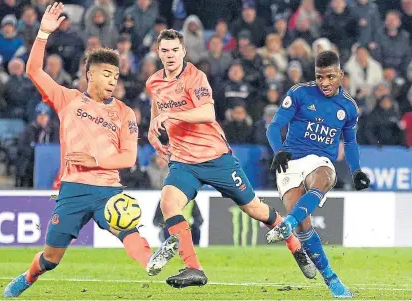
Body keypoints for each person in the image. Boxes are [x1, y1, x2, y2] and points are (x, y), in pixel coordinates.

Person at [3, 3, 177, 298]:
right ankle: (28, 277)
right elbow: (33, 70)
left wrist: (95, 159)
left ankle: (150, 261)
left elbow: (129, 158)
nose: (112, 80)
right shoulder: (68, 99)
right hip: (71, 190)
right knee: (50, 260)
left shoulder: (124, 113)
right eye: (107, 74)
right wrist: (44, 32)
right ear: (90, 75)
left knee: (127, 229)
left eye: (116, 76)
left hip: (107, 190)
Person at [145, 29, 316, 289]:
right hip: (183, 161)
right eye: (165, 51)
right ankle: (194, 269)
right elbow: (158, 106)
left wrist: (171, 117)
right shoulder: (154, 82)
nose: (170, 55)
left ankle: (295, 244)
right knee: (169, 203)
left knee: (254, 209)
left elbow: (207, 112)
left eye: (175, 50)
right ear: (158, 53)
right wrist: (153, 127)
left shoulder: (195, 77)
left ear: (184, 52)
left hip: (216, 158)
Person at [265, 50, 371, 298]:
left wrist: (356, 171)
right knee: (304, 223)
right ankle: (328, 275)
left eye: (330, 77)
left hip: (319, 160)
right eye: (320, 77)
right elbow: (275, 126)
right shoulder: (299, 93)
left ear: (341, 75)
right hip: (290, 160)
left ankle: (288, 226)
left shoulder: (348, 107)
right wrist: (278, 150)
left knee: (325, 175)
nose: (324, 82)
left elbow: (351, 143)